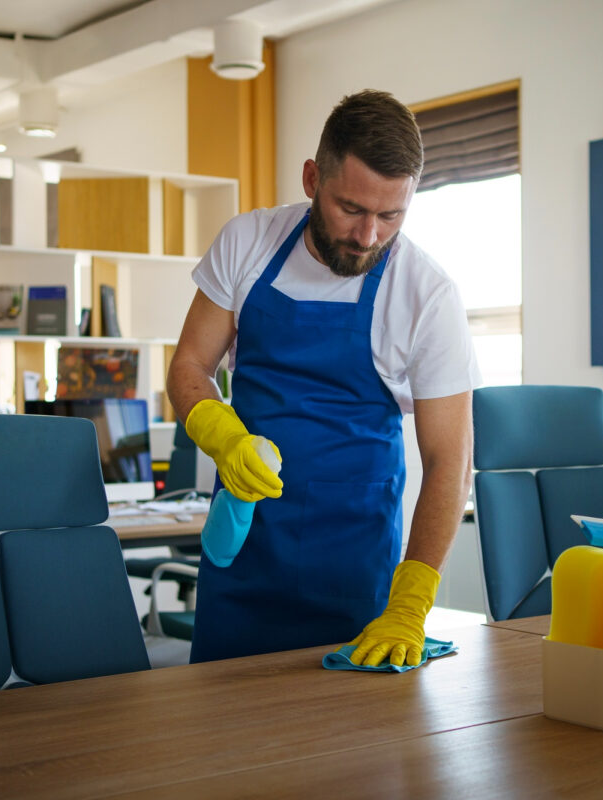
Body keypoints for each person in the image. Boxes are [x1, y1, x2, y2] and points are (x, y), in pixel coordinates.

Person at [167, 89, 480, 666]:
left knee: (351, 751)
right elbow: (189, 366)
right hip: (243, 554)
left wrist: (411, 602)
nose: (368, 236)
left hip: (355, 574)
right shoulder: (248, 242)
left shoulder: (426, 295)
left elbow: (450, 463)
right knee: (218, 742)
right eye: (352, 209)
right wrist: (222, 434)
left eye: (392, 215)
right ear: (312, 178)